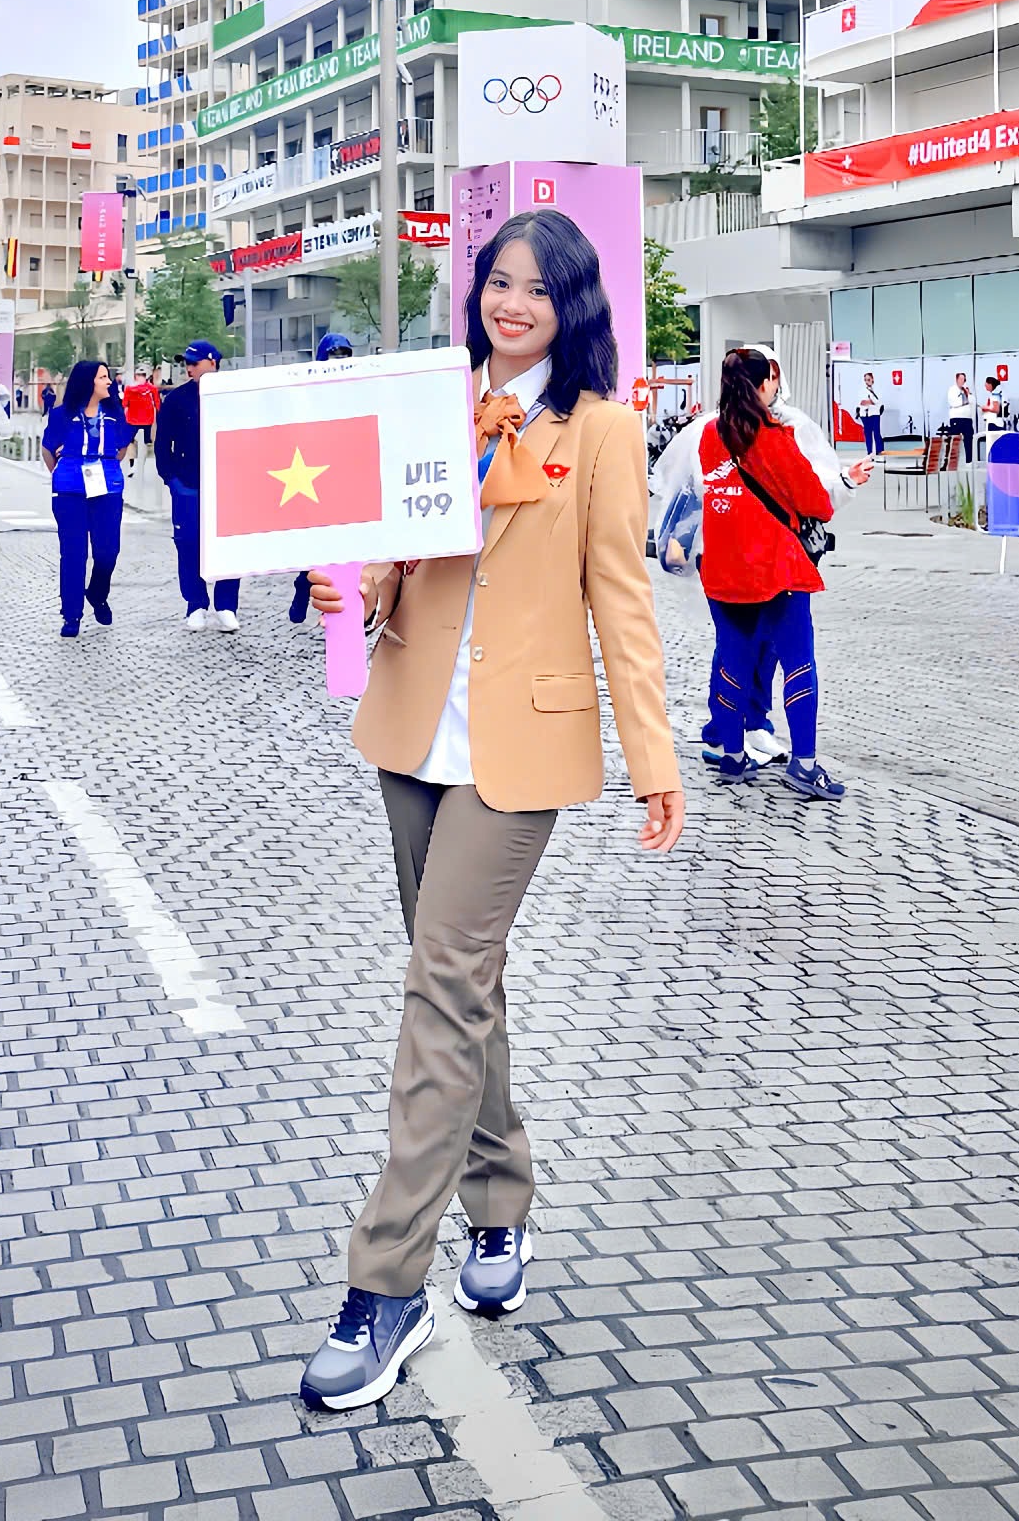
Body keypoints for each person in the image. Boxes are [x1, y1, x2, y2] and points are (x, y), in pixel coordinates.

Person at [303, 209, 682, 1411]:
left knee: (441, 983)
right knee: (459, 980)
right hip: (414, 730)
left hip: (521, 751)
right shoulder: (433, 404)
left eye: (538, 287)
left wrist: (654, 756)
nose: (513, 304)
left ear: (573, 302)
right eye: (497, 282)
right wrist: (344, 582)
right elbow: (386, 557)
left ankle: (388, 1282)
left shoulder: (602, 429)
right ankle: (502, 1205)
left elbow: (620, 594)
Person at [693, 346, 844, 800]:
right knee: (798, 661)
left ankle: (734, 756)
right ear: (763, 386)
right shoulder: (774, 437)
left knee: (732, 658)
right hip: (776, 568)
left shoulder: (709, 437)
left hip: (723, 568)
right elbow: (818, 501)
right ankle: (804, 763)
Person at [41, 357, 131, 637]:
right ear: (88, 381)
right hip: (69, 489)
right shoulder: (61, 415)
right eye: (103, 377)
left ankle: (97, 592)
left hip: (107, 488)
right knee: (73, 552)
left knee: (107, 552)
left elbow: (122, 447)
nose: (108, 381)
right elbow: (47, 449)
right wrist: (62, 471)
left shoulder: (116, 413)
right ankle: (71, 615)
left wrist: (106, 466)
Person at [158, 339, 239, 631]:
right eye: (186, 363)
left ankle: (227, 604)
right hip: (188, 483)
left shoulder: (234, 395)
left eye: (195, 362)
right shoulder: (177, 399)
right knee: (188, 543)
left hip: (228, 482)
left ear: (213, 362)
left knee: (229, 543)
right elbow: (162, 441)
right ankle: (195, 604)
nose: (189, 368)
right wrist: (171, 478)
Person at [289, 331, 357, 624]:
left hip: (345, 476)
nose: (338, 361)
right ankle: (304, 586)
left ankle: (341, 600)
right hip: (310, 476)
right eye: (334, 355)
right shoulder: (308, 393)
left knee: (345, 546)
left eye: (343, 355)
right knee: (315, 544)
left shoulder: (355, 390)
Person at [121, 367, 159, 474]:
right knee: (147, 442)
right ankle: (142, 463)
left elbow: (124, 404)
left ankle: (133, 464)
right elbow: (157, 404)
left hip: (132, 420)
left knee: (130, 442)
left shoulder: (129, 389)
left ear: (135, 376)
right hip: (148, 419)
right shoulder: (152, 389)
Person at [945, 371, 974, 460]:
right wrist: (965, 401)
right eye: (961, 379)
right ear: (957, 379)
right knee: (954, 440)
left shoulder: (966, 390)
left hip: (967, 419)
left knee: (969, 439)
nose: (962, 381)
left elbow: (972, 401)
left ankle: (969, 460)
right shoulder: (952, 390)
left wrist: (968, 394)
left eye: (964, 379)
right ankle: (952, 460)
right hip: (956, 419)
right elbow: (954, 403)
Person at [855, 372, 884, 457]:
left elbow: (878, 401)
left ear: (872, 379)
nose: (867, 382)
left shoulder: (877, 389)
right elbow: (861, 402)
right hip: (865, 414)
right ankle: (869, 452)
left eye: (868, 380)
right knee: (867, 434)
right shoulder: (862, 390)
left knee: (876, 432)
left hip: (875, 413)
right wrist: (870, 402)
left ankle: (879, 451)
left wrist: (870, 401)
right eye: (865, 380)